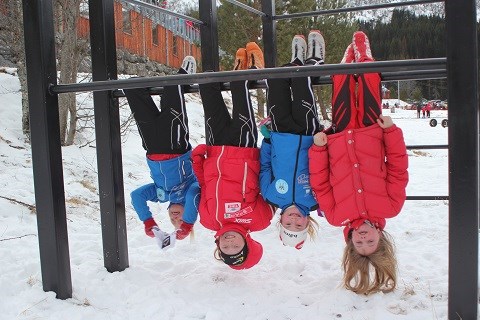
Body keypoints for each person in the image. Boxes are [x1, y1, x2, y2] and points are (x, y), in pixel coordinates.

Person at [308, 31, 409, 295]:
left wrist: (319, 149)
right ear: (380, 238)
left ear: (350, 240)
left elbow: (319, 181)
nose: (364, 238)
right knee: (368, 80)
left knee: (341, 83)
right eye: (370, 242)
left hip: (339, 136)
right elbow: (398, 167)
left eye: (359, 242)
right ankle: (363, 55)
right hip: (370, 130)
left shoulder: (334, 216)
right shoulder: (390, 206)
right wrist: (390, 131)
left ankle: (346, 61)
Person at [192, 42, 275, 270]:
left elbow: (204, 187)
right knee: (240, 95)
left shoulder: (208, 221)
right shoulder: (259, 221)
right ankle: (247, 67)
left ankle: (235, 66)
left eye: (225, 248)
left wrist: (198, 161)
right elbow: (268, 189)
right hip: (244, 151)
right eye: (236, 248)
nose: (230, 243)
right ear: (246, 242)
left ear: (217, 244)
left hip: (215, 150)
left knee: (207, 90)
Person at [259, 31, 325, 250]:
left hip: (279, 134)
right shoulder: (315, 201)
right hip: (307, 134)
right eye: (299, 225)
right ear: (308, 222)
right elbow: (326, 172)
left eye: (289, 224)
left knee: (275, 83)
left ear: (281, 221)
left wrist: (268, 142)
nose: (294, 220)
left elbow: (265, 166)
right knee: (300, 84)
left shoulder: (271, 195)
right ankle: (314, 60)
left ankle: (296, 59)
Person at [123, 56, 200, 241]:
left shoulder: (161, 195)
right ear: (189, 213)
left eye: (175, 222)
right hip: (176, 147)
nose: (176, 218)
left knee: (132, 89)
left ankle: (140, 85)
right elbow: (193, 198)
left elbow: (137, 196)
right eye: (182, 218)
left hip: (151, 147)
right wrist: (188, 225)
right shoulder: (193, 187)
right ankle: (184, 75)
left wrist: (148, 221)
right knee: (171, 96)